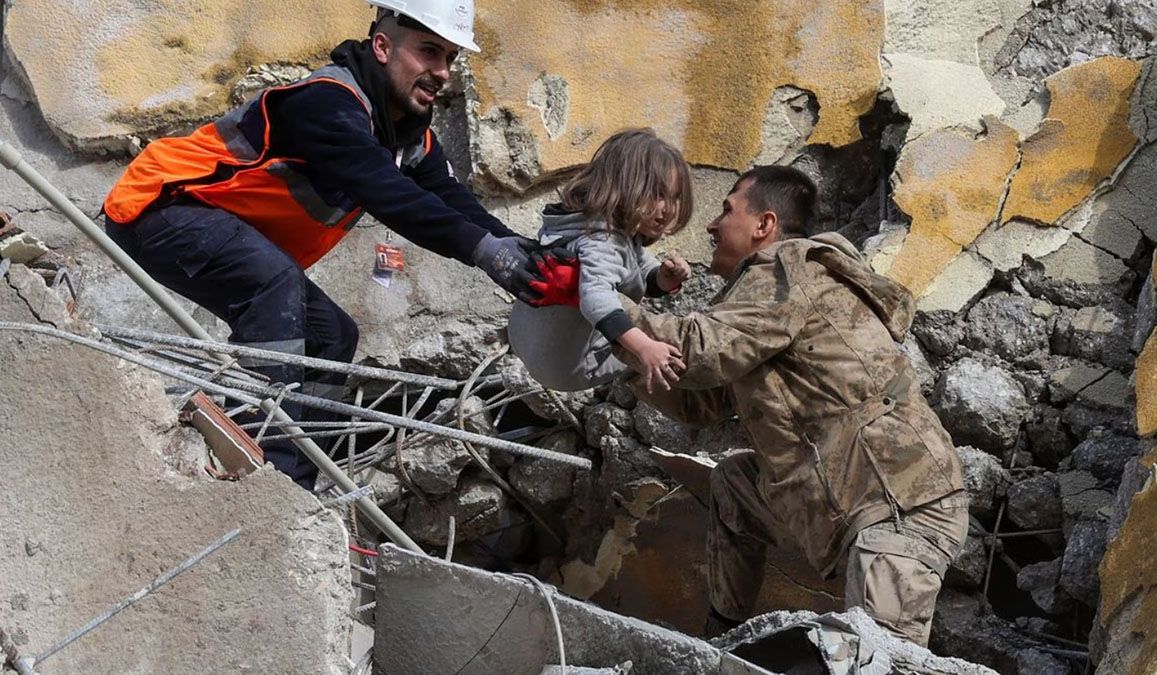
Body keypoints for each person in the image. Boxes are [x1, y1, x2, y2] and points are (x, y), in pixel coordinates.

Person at [101, 0, 569, 490]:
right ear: (383, 47)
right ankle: (258, 466)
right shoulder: (326, 102)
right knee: (273, 285)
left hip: (219, 225)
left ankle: (297, 475)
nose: (442, 72)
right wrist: (487, 254)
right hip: (159, 205)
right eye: (429, 51)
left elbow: (452, 200)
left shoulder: (408, 137)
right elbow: (388, 192)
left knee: (332, 335)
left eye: (450, 58)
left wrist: (522, 250)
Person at [616, 166, 967, 646]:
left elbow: (699, 350)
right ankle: (725, 640)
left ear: (764, 225)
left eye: (726, 209)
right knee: (736, 482)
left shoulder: (788, 268)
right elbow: (702, 401)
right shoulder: (759, 301)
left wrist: (602, 311)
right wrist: (616, 357)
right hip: (851, 500)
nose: (712, 226)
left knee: (877, 661)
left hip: (898, 502)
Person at [507, 128, 695, 393]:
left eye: (674, 197)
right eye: (658, 194)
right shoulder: (603, 241)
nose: (669, 209)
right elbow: (596, 298)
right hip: (570, 369)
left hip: (525, 340)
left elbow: (636, 263)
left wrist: (663, 278)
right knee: (679, 350)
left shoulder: (584, 224)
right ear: (626, 187)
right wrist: (644, 348)